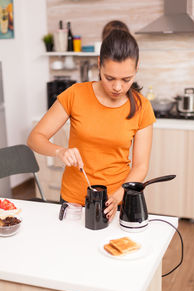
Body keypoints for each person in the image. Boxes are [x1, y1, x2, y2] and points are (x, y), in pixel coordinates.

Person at [27, 30, 156, 222]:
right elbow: (35, 138)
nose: (118, 87)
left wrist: (119, 195)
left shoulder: (142, 107)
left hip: (118, 201)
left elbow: (140, 166)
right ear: (99, 65)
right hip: (74, 202)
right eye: (110, 78)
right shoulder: (75, 95)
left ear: (137, 68)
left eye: (126, 79)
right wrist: (60, 151)